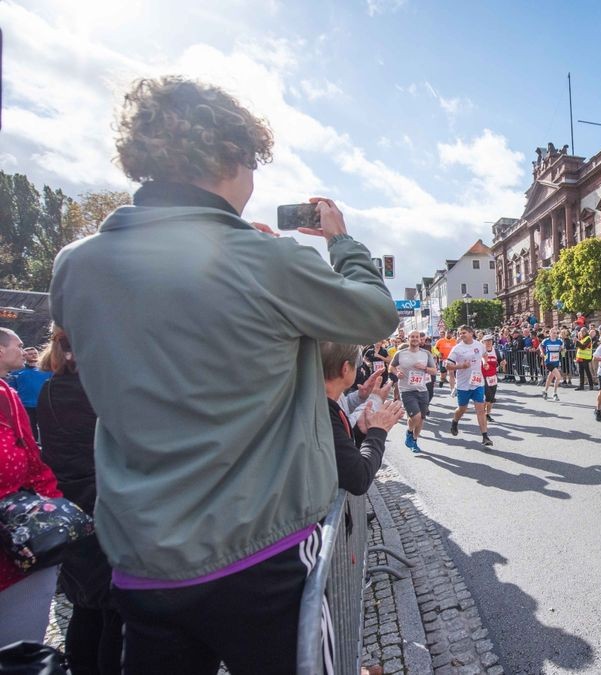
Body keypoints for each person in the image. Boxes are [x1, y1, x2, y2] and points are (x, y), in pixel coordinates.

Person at [48, 77, 397, 674]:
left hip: (143, 559)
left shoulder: (76, 265)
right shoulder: (264, 260)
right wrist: (342, 243)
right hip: (261, 555)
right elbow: (374, 311)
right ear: (231, 157)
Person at [36, 328, 122, 675]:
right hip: (103, 507)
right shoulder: (95, 391)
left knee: (86, 606)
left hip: (72, 508)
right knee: (115, 609)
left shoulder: (51, 388)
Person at [0, 328, 63, 646]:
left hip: (12, 553)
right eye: (18, 345)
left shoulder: (5, 395)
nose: (24, 351)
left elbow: (31, 459)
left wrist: (53, 516)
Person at [322, 343, 403, 493]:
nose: (360, 371)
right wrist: (378, 431)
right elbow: (358, 478)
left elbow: (342, 413)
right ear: (345, 369)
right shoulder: (322, 410)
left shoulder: (322, 399)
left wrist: (359, 430)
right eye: (357, 367)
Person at [447, 325, 493, 447]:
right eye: (460, 333)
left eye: (464, 333)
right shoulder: (457, 348)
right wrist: (461, 366)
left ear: (471, 333)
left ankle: (485, 436)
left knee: (480, 409)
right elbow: (447, 365)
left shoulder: (479, 345)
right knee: (462, 408)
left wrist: (485, 363)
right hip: (463, 384)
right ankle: (455, 421)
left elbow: (484, 355)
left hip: (477, 382)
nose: (461, 335)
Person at [393, 330, 438, 452]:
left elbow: (434, 371)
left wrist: (424, 368)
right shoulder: (400, 353)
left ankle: (414, 440)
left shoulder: (426, 354)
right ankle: (409, 432)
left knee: (421, 418)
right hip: (407, 390)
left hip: (422, 390)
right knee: (416, 416)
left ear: (420, 339)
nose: (414, 339)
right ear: (408, 338)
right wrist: (397, 372)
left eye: (417, 337)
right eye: (412, 336)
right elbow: (391, 367)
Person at [6, 346, 52, 443]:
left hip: (44, 404)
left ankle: (48, 446)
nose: (33, 355)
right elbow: (11, 389)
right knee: (30, 428)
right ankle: (33, 447)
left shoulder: (47, 370)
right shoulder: (16, 373)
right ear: (24, 356)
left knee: (47, 427)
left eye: (35, 353)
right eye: (30, 354)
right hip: (25, 405)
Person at [480, 334, 505, 422]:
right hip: (483, 377)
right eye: (486, 341)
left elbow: (500, 362)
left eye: (490, 341)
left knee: (491, 398)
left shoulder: (496, 351)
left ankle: (487, 414)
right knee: (488, 396)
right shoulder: (480, 352)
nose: (489, 343)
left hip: (493, 377)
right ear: (483, 342)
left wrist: (502, 363)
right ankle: (481, 413)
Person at [541, 328, 565, 400]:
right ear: (550, 334)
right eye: (553, 333)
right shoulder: (546, 341)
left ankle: (545, 391)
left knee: (550, 377)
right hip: (548, 361)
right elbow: (540, 346)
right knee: (558, 377)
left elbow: (563, 349)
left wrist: (563, 350)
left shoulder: (560, 341)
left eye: (556, 333)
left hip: (556, 361)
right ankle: (555, 394)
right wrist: (542, 352)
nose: (555, 334)